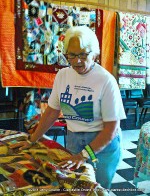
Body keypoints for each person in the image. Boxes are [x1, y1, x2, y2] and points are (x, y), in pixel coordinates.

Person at [11, 26, 126, 189]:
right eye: (71, 55)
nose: (77, 60)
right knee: (75, 186)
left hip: (102, 144)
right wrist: (32, 139)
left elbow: (111, 129)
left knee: (97, 188)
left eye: (83, 54)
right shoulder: (63, 75)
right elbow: (52, 111)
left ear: (94, 54)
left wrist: (84, 155)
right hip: (73, 138)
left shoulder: (106, 81)